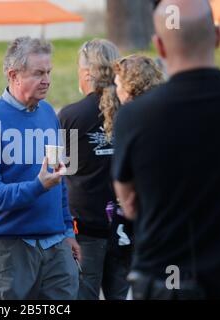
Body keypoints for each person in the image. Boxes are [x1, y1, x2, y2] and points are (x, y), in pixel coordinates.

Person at [112, 0, 220, 299]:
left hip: (166, 283)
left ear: (159, 46)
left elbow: (130, 205)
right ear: (217, 36)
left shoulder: (135, 117)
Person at [0, 37, 80, 300]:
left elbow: (59, 178)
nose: (47, 80)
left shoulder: (49, 113)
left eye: (48, 72)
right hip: (7, 249)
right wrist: (37, 186)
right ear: (13, 75)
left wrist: (67, 230)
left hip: (55, 246)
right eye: (38, 73)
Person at [58, 39, 130, 300]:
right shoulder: (131, 113)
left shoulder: (71, 116)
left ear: (87, 72)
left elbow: (61, 170)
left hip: (84, 227)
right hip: (125, 225)